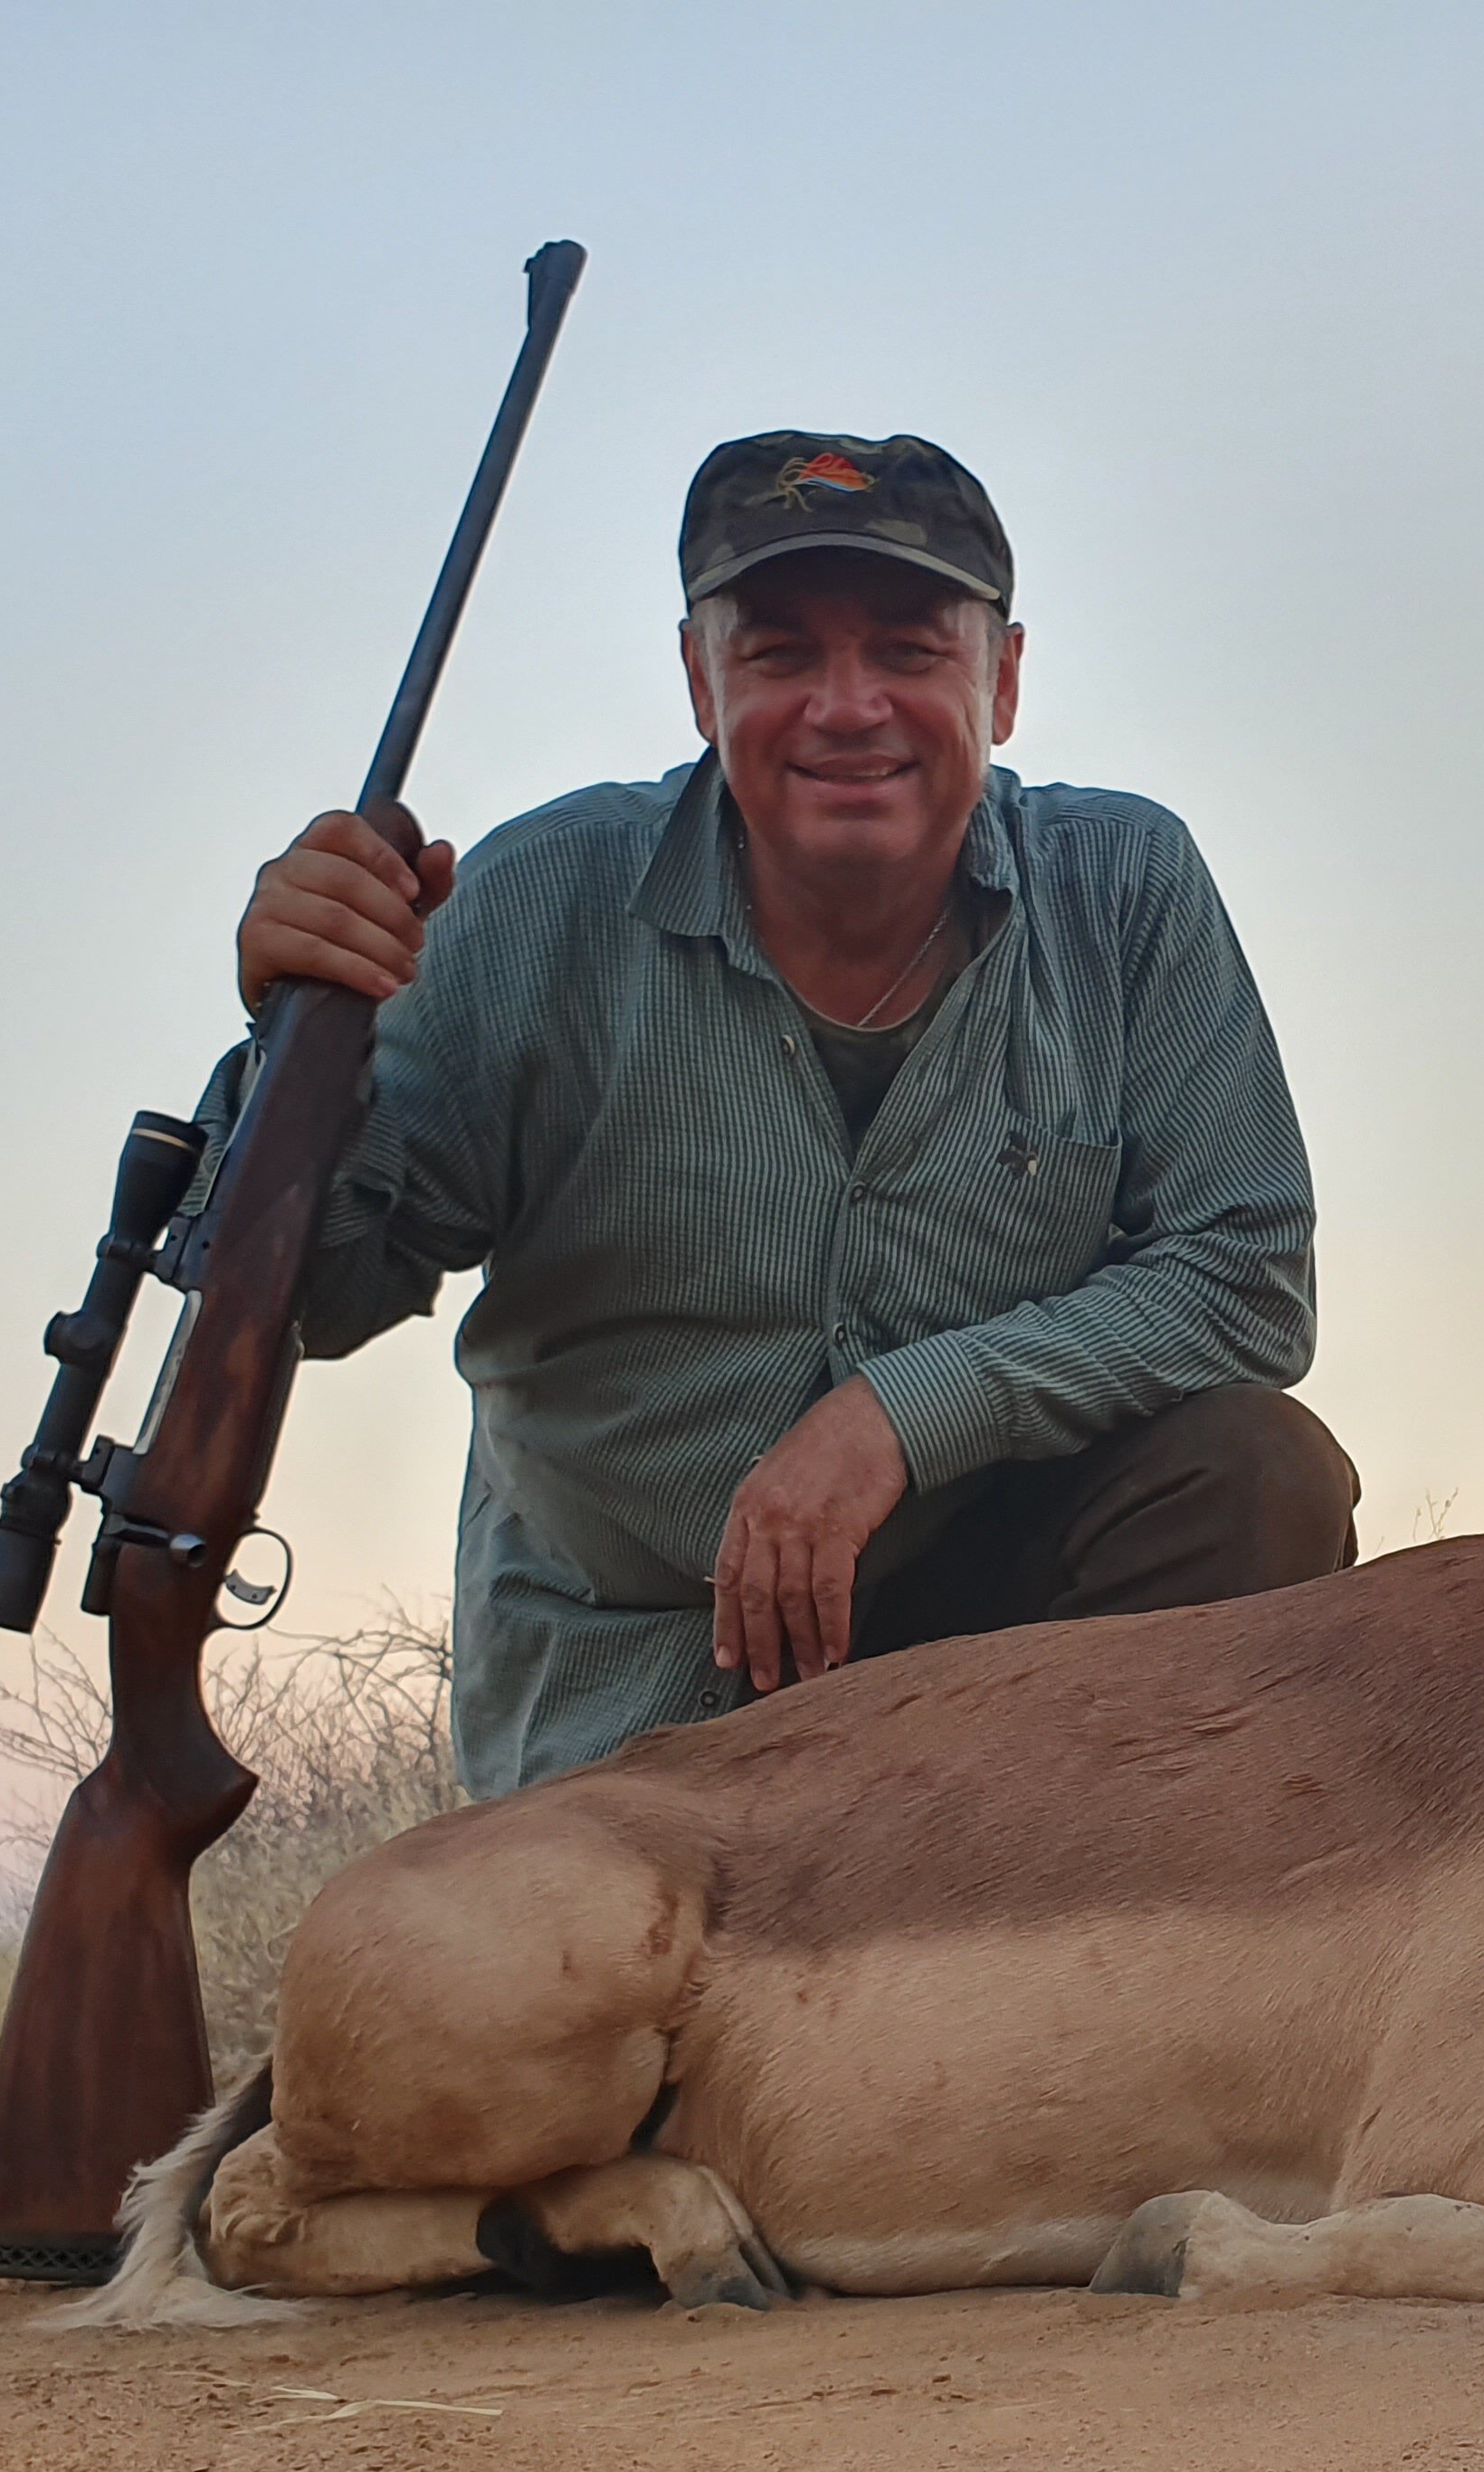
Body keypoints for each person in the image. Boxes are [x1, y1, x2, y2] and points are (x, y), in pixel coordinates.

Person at [213, 429, 1357, 1797]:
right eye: (780, 655)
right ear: (701, 682)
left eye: (910, 650)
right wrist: (295, 1039)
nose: (847, 706)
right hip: (634, 1688)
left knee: (1255, 1471)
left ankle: (1127, 1935)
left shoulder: (1129, 884)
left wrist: (893, 1418)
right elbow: (322, 1291)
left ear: (1005, 679)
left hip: (1003, 1664)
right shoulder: (530, 901)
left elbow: (1246, 1275)